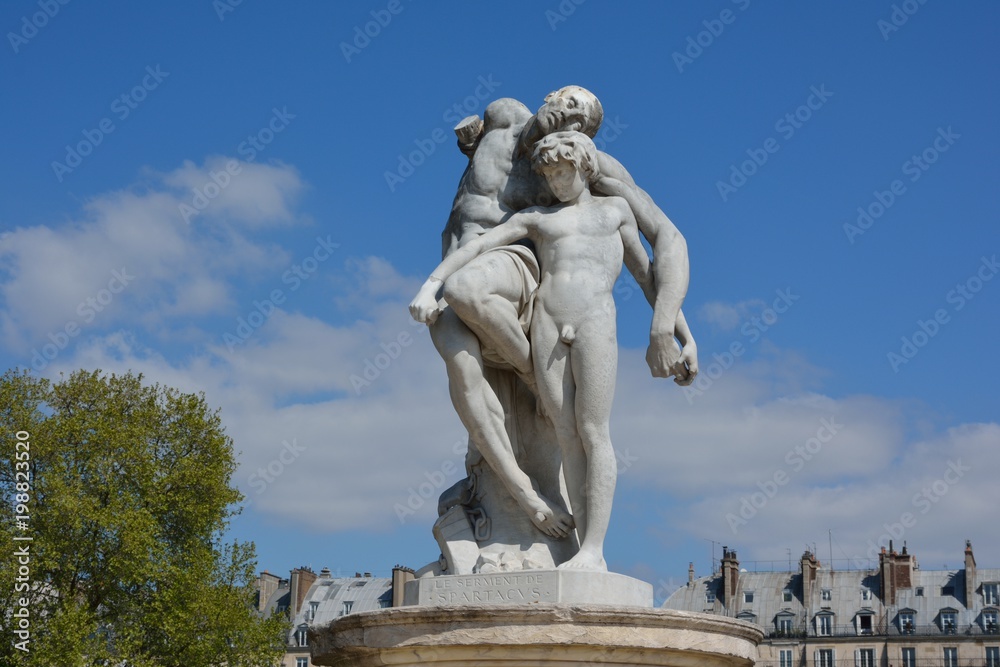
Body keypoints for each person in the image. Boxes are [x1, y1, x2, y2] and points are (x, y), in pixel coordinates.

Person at [425, 86, 696, 542]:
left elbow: (664, 242)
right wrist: (471, 142)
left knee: (467, 291)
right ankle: (518, 493)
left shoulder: (589, 168)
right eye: (570, 104)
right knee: (457, 356)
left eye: (583, 121)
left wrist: (669, 326)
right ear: (550, 97)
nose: (572, 118)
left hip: (522, 274)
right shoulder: (506, 116)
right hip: (462, 259)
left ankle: (534, 380)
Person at [412, 131, 651, 570]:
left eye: (565, 172)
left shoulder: (615, 211)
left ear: (584, 167)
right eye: (551, 174)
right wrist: (431, 285)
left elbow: (646, 272)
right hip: (546, 326)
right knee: (567, 436)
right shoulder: (538, 218)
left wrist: (673, 329)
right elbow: (479, 246)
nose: (558, 181)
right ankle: (581, 548)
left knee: (593, 431)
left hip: (594, 319)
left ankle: (595, 550)